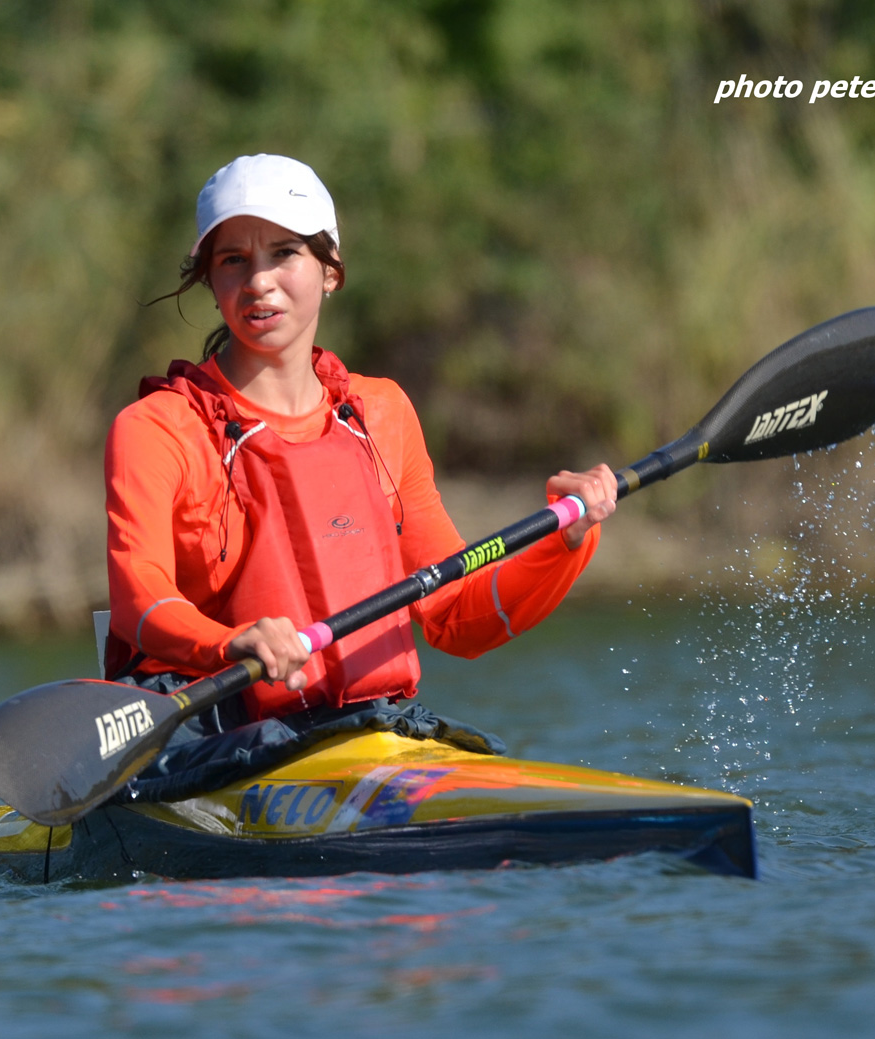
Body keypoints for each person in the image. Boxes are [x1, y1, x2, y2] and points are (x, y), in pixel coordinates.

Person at [103, 154, 616, 758]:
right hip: (211, 733)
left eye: (285, 253)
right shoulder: (158, 427)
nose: (258, 281)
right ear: (210, 282)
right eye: (233, 260)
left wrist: (567, 541)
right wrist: (232, 644)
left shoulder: (381, 413)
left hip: (371, 729)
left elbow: (456, 613)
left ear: (331, 271)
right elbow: (139, 602)